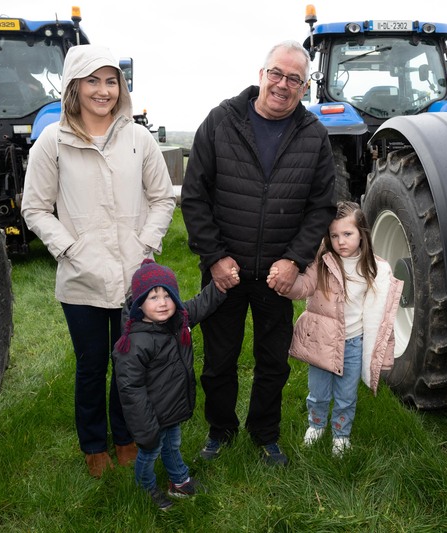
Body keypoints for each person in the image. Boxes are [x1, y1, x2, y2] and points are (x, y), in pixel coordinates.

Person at [21, 45, 176, 478]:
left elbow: (163, 198)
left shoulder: (138, 139)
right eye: (93, 81)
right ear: (74, 86)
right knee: (92, 365)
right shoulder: (52, 142)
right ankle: (93, 444)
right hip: (81, 277)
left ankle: (125, 437)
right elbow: (35, 208)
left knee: (129, 363)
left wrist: (145, 244)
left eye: (111, 81)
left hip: (134, 276)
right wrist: (70, 249)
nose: (103, 91)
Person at [180, 40, 336, 467]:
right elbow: (194, 197)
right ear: (261, 74)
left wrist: (294, 260)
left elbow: (321, 207)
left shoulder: (313, 135)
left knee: (272, 362)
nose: (283, 85)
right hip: (224, 272)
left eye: (294, 79)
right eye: (276, 74)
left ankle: (265, 433)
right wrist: (214, 257)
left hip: (276, 275)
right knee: (218, 360)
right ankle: (220, 430)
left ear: (304, 87)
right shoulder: (221, 121)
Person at [267, 201, 403, 456]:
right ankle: (316, 425)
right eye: (334, 235)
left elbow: (379, 313)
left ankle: (341, 435)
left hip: (353, 344)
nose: (341, 241)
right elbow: (304, 286)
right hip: (323, 341)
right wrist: (285, 286)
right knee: (318, 392)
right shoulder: (322, 262)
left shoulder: (373, 268)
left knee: (346, 396)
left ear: (362, 233)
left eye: (347, 234)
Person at [112, 259, 226, 511]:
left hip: (171, 409)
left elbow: (200, 305)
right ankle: (145, 488)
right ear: (139, 303)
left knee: (172, 445)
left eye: (168, 295)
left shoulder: (176, 322)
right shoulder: (134, 343)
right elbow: (131, 390)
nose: (162, 303)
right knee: (150, 452)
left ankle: (179, 481)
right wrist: (145, 430)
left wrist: (220, 286)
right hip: (150, 417)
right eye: (153, 297)